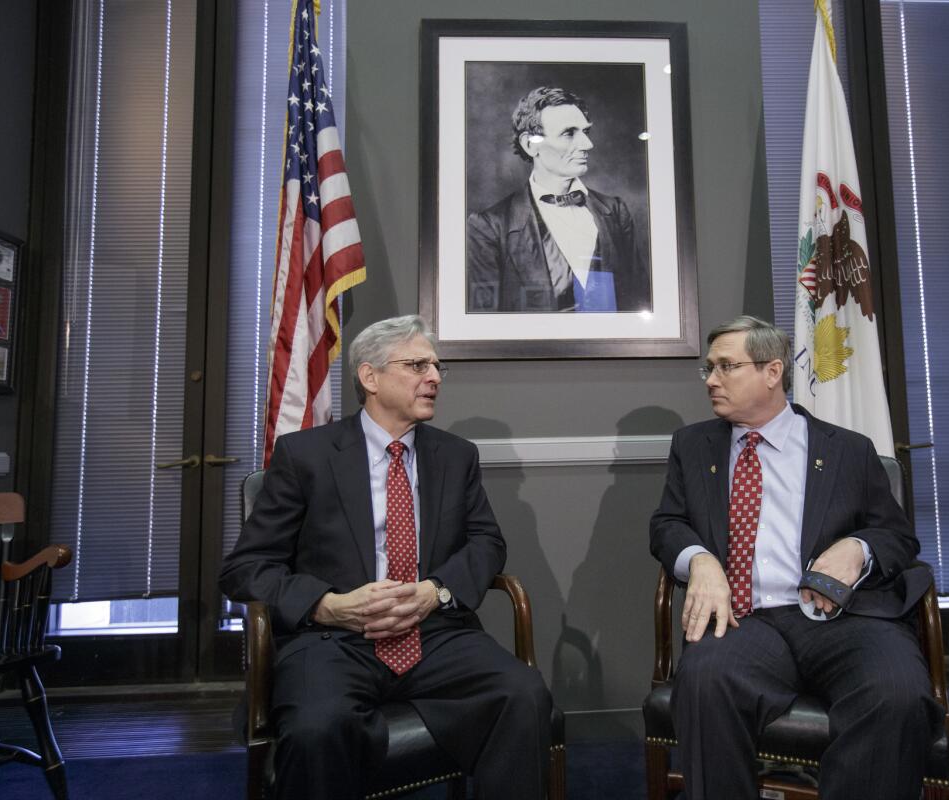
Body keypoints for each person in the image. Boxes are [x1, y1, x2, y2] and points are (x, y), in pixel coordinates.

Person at [220, 314, 552, 800]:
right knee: (316, 727)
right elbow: (245, 569)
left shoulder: (455, 456)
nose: (434, 377)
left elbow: (487, 544)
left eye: (437, 367)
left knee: (523, 694)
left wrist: (434, 592)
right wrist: (328, 604)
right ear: (369, 377)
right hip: (332, 640)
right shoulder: (305, 456)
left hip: (435, 634)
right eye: (418, 365)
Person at [649, 315, 942, 800]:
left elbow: (897, 537)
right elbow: (667, 525)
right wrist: (700, 559)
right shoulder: (693, 446)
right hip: (745, 621)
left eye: (726, 367)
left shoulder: (847, 449)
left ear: (772, 371)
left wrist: (858, 548)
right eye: (708, 368)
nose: (711, 380)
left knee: (896, 692)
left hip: (845, 619)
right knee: (703, 680)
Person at [466, 86, 651, 313]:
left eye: (586, 132)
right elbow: (484, 325)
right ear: (530, 144)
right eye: (569, 133)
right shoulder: (489, 227)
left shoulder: (615, 211)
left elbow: (639, 304)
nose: (587, 144)